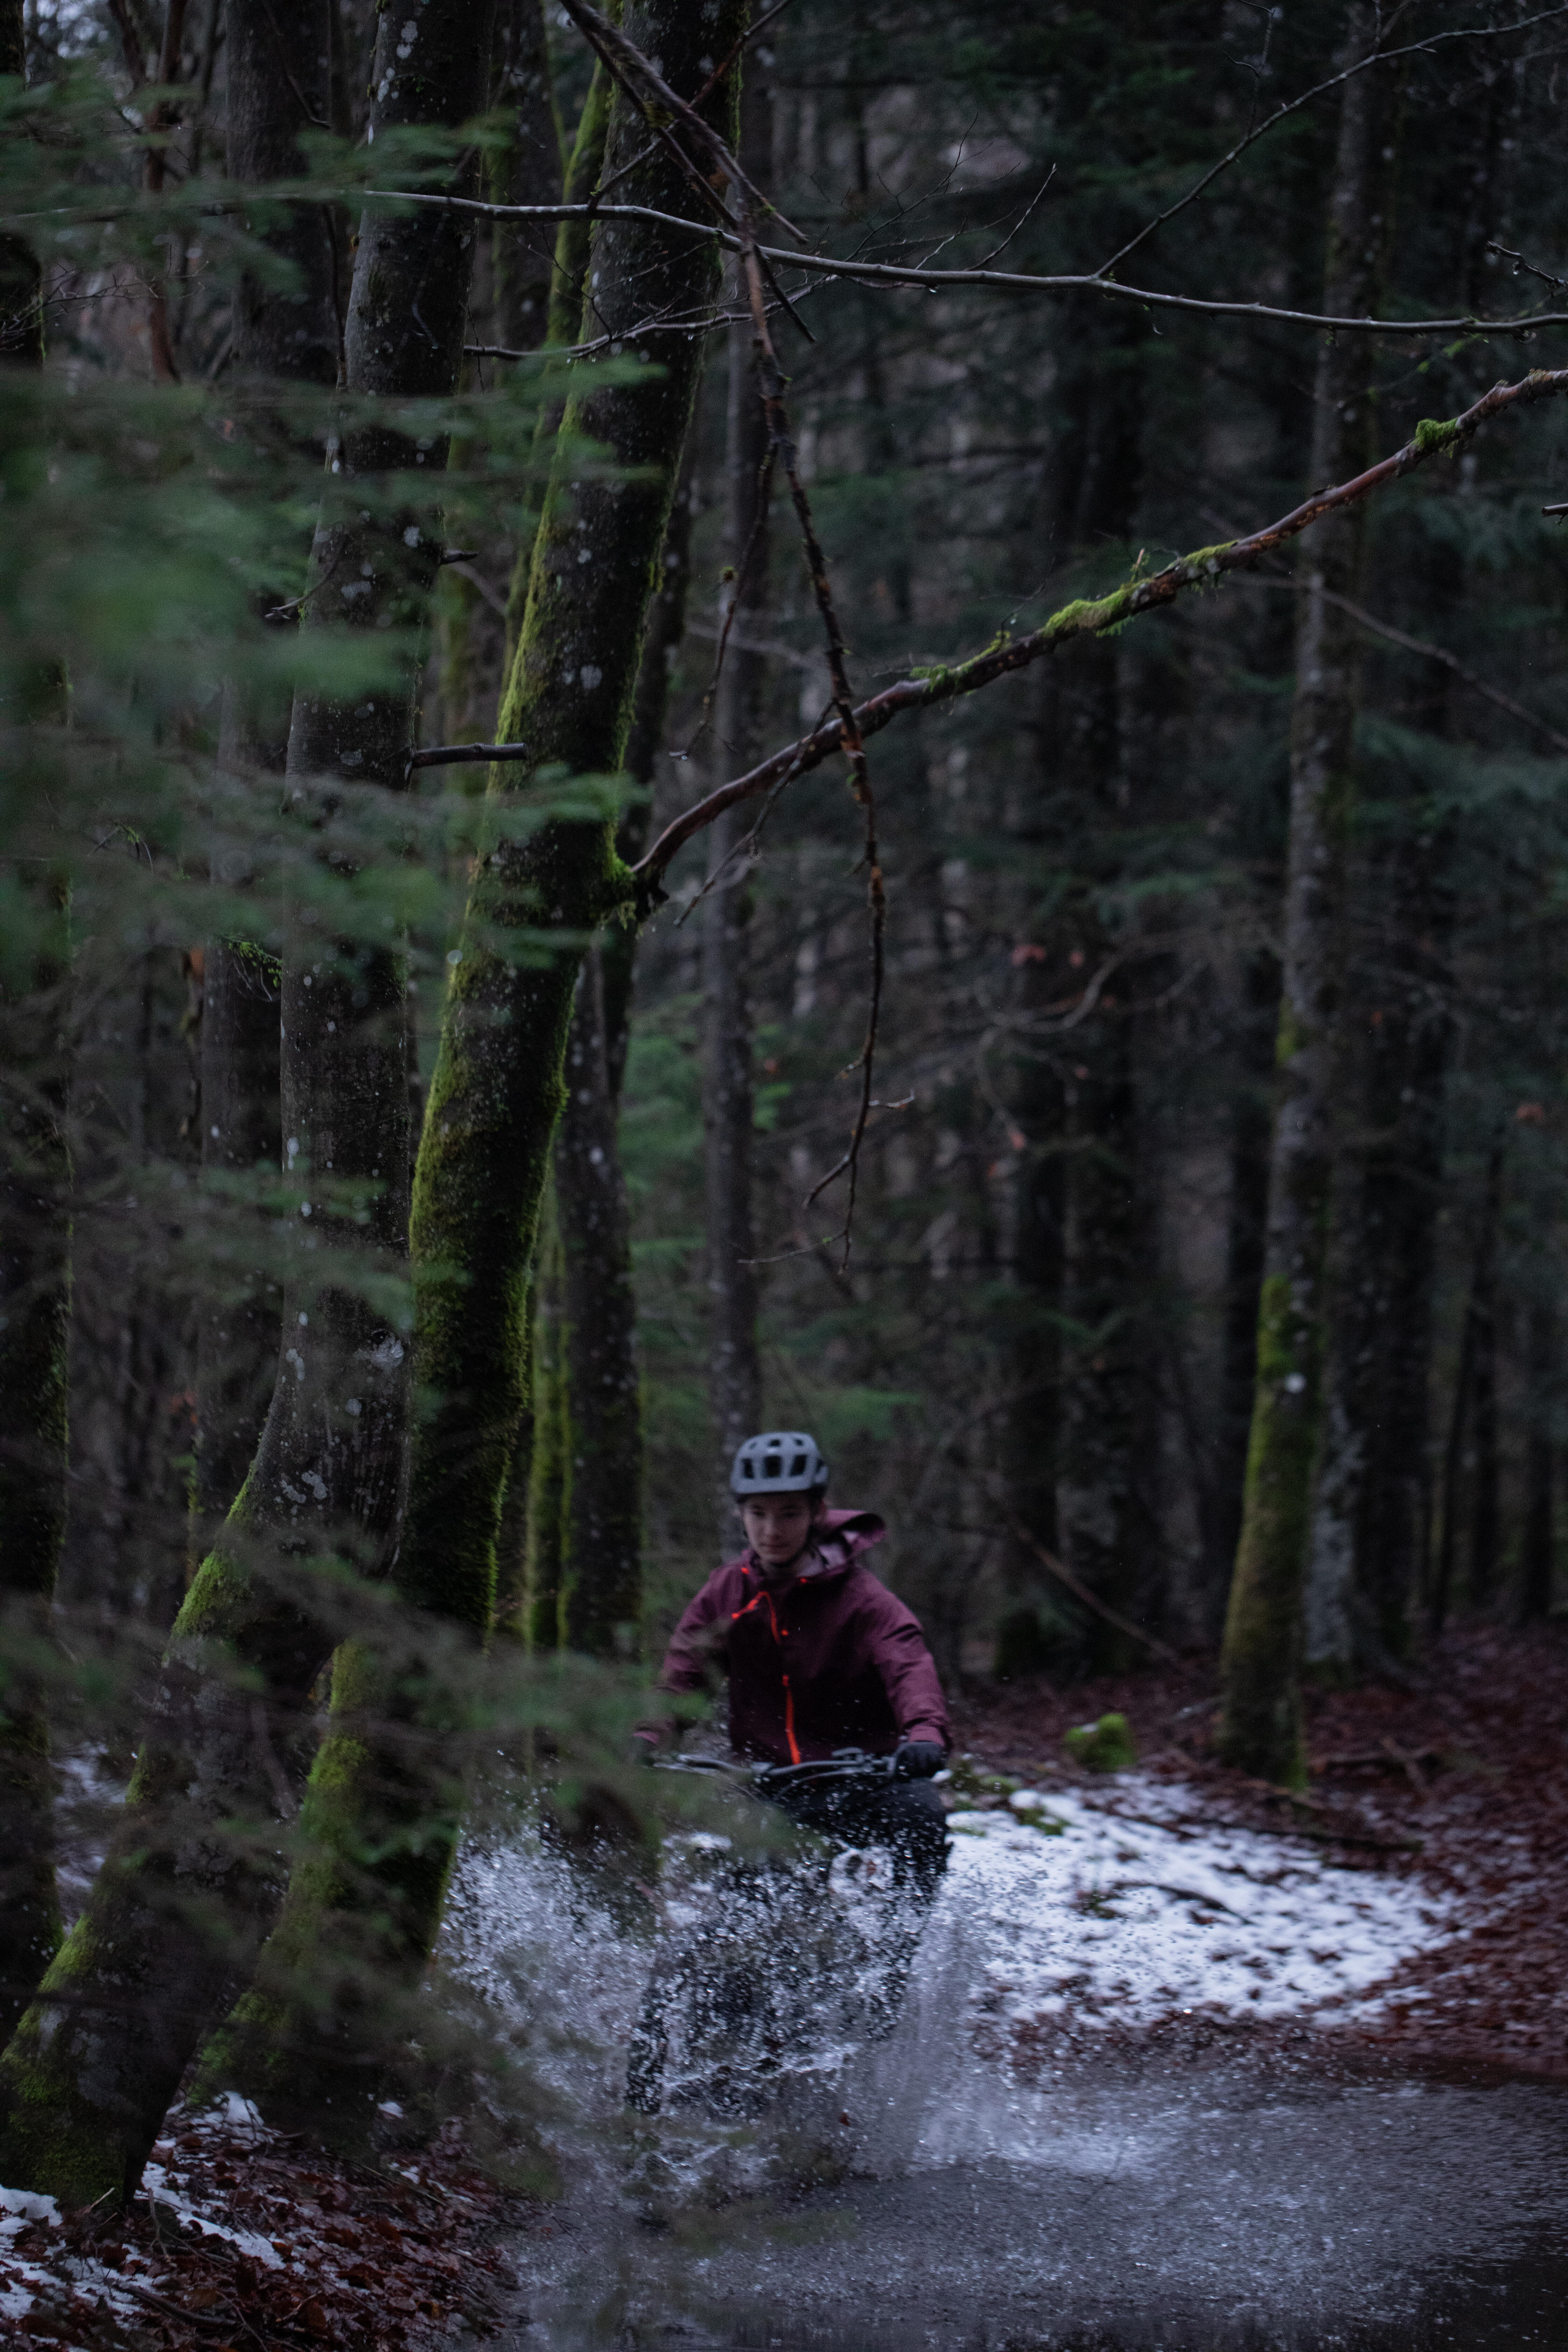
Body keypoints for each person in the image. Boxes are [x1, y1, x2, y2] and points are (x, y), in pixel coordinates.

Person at [645, 1430, 951, 1895]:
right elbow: (684, 1675)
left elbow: (907, 1663)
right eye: (759, 1514)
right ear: (740, 1515)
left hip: (862, 1780)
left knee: (921, 1813)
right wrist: (650, 1734)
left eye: (789, 1513)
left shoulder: (862, 1600)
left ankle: (900, 1952)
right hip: (767, 1788)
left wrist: (924, 1732)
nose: (773, 1530)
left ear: (817, 1513)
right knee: (742, 1920)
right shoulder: (726, 1595)